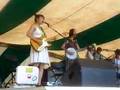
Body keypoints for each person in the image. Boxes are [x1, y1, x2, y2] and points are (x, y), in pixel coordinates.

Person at [26, 14, 50, 86]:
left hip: (42, 47)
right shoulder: (34, 25)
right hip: (37, 47)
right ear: (37, 19)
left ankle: (39, 83)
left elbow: (42, 38)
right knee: (36, 64)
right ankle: (31, 81)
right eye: (42, 18)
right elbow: (28, 34)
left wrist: (46, 43)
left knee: (42, 65)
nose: (43, 20)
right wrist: (37, 40)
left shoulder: (41, 28)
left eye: (43, 18)